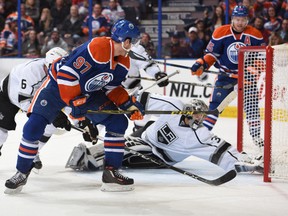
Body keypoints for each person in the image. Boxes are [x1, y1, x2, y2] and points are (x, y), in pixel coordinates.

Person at [4, 19, 144, 194]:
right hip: (56, 86)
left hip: (87, 93)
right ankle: (22, 172)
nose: (135, 45)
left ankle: (111, 174)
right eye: (135, 41)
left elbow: (112, 88)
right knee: (33, 127)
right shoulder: (98, 47)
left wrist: (128, 105)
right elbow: (66, 75)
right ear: (126, 40)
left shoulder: (123, 62)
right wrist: (74, 105)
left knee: (118, 122)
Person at [66, 98, 263, 175]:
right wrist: (131, 105)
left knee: (130, 152)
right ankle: (89, 155)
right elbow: (144, 98)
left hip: (159, 156)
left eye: (202, 117)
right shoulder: (175, 107)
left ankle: (90, 160)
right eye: (197, 115)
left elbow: (224, 151)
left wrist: (247, 163)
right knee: (127, 142)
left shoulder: (200, 134)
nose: (199, 119)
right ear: (188, 111)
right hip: (145, 135)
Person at [190, 6, 265, 156]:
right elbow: (212, 54)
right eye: (237, 19)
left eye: (243, 19)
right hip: (225, 77)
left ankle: (258, 141)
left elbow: (263, 58)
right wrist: (202, 63)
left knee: (252, 110)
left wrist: (253, 69)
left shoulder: (255, 35)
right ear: (232, 19)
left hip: (247, 79)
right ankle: (199, 137)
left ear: (247, 20)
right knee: (215, 108)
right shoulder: (220, 32)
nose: (240, 23)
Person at [0, 47, 69, 162]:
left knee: (49, 126)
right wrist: (51, 115)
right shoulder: (32, 70)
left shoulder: (57, 72)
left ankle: (33, 152)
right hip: (8, 97)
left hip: (33, 97)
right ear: (47, 65)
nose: (58, 73)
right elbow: (24, 102)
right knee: (1, 132)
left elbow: (66, 98)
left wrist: (79, 120)